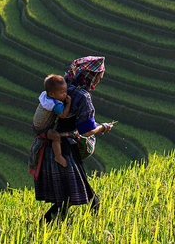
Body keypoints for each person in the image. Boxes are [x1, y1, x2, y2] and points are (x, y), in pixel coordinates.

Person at [31, 56, 115, 224]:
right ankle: (45, 225)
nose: (99, 80)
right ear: (90, 76)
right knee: (72, 194)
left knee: (75, 192)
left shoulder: (62, 89)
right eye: (98, 76)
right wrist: (103, 127)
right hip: (66, 149)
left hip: (50, 146)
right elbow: (86, 131)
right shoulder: (83, 96)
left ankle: (51, 225)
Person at [31, 74, 72, 169]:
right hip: (43, 128)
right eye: (62, 93)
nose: (65, 94)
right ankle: (58, 156)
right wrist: (68, 104)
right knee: (56, 137)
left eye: (65, 91)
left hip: (36, 125)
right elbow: (63, 115)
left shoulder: (45, 97)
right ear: (51, 94)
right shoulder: (55, 104)